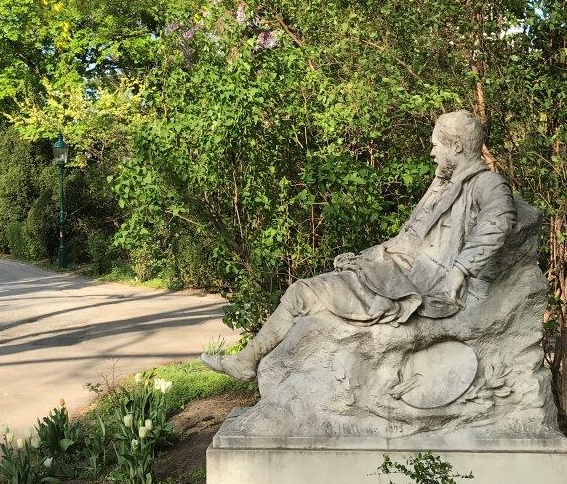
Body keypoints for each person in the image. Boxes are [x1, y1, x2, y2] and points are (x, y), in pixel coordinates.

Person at [203, 110, 517, 380]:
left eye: (436, 146)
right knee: (304, 291)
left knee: (302, 292)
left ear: (457, 146)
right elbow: (406, 240)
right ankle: (246, 362)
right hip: (393, 272)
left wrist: (460, 271)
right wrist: (364, 259)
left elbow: (498, 221)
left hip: (419, 287)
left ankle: (245, 363)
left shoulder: (486, 183)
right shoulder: (442, 183)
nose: (432, 154)